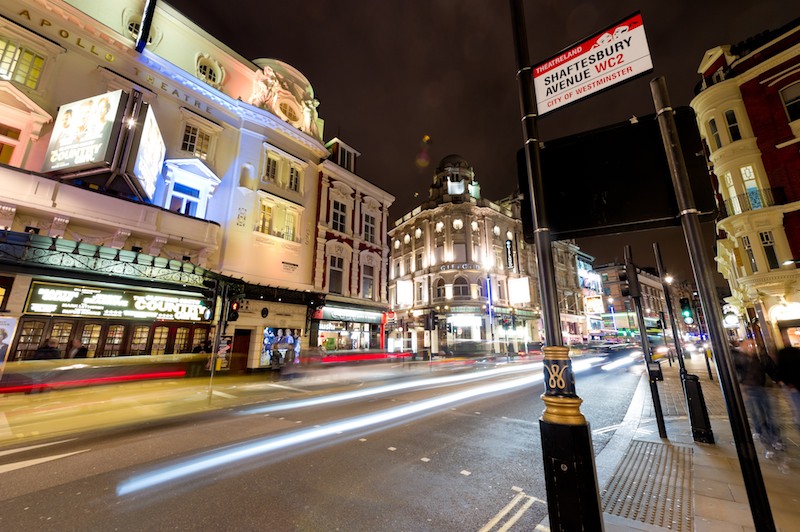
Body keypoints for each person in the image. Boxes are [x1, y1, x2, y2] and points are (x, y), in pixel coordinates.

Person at [733, 339, 783, 457]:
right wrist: (741, 389)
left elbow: (772, 370)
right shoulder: (739, 358)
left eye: (753, 345)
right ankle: (766, 443)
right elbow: (736, 374)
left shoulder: (761, 358)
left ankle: (776, 439)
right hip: (749, 391)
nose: (751, 347)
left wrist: (780, 381)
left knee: (769, 416)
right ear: (742, 347)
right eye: (748, 345)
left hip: (763, 389)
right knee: (758, 416)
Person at [776, 344, 800, 428]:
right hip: (794, 384)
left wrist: (782, 381)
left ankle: (797, 421)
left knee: (796, 406)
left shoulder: (782, 353)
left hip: (791, 385)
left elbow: (780, 369)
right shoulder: (796, 352)